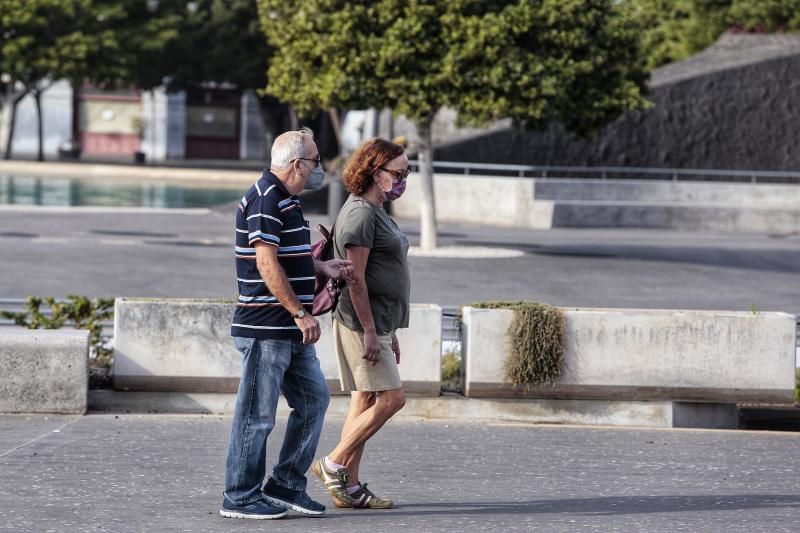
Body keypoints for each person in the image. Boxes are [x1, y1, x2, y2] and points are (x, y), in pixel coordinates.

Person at [221, 128, 354, 520]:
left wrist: (319, 266)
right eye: (315, 161)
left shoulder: (285, 200)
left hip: (289, 330)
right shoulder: (265, 198)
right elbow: (265, 263)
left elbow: (287, 256)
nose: (319, 169)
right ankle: (240, 496)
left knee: (313, 401)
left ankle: (285, 484)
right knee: (256, 416)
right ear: (297, 164)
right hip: (268, 328)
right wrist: (300, 312)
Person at [312, 137, 411, 509]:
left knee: (364, 400)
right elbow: (356, 278)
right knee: (392, 399)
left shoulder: (378, 209)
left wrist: (390, 330)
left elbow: (387, 272)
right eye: (397, 172)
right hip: (359, 324)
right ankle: (332, 464)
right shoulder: (360, 214)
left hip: (380, 322)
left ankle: (348, 489)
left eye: (407, 172)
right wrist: (370, 330)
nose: (403, 179)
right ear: (374, 171)